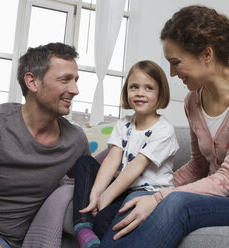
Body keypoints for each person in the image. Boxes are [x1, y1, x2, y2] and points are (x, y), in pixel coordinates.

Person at [99, 5, 229, 248]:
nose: (172, 73)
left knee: (176, 203)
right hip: (219, 198)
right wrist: (151, 190)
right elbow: (198, 165)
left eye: (176, 63)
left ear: (206, 54)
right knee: (138, 196)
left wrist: (160, 196)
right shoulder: (193, 100)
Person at [0, 42, 90, 248]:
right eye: (65, 80)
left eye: (76, 80)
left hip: (11, 241)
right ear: (32, 82)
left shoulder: (75, 140)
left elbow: (91, 182)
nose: (75, 90)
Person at [72, 60, 179, 248]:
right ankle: (82, 225)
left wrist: (106, 198)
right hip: (123, 186)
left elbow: (136, 166)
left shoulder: (164, 130)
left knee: (104, 219)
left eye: (149, 88)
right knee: (84, 163)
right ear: (126, 91)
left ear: (161, 93)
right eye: (134, 87)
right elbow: (113, 158)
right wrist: (96, 196)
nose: (140, 93)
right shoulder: (124, 123)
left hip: (146, 193)